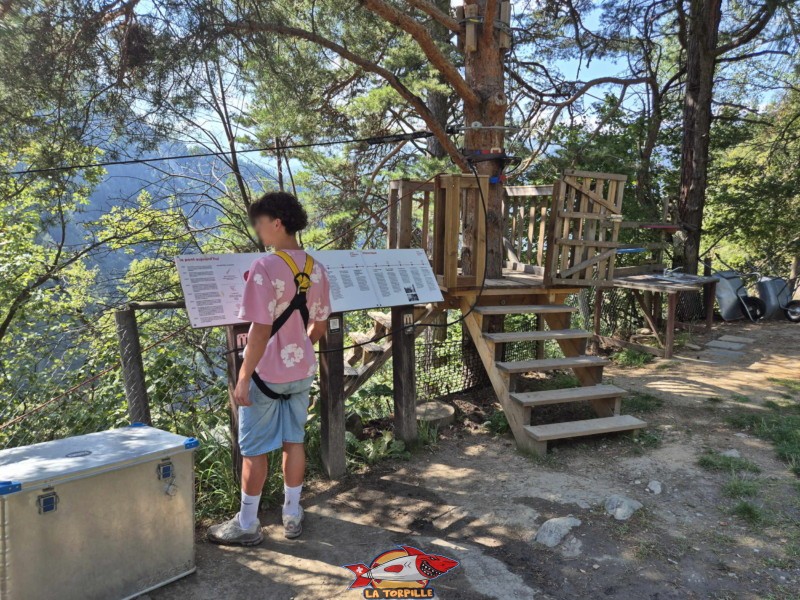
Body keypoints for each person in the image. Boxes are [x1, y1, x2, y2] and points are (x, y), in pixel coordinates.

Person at [207, 191, 332, 546]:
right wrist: (298, 347)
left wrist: (243, 378)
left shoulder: (265, 267)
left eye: (261, 224)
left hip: (265, 375)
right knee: (294, 441)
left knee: (255, 449)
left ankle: (247, 523)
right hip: (301, 371)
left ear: (277, 223)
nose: (259, 232)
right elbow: (319, 328)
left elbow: (259, 331)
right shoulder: (317, 269)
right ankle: (292, 515)